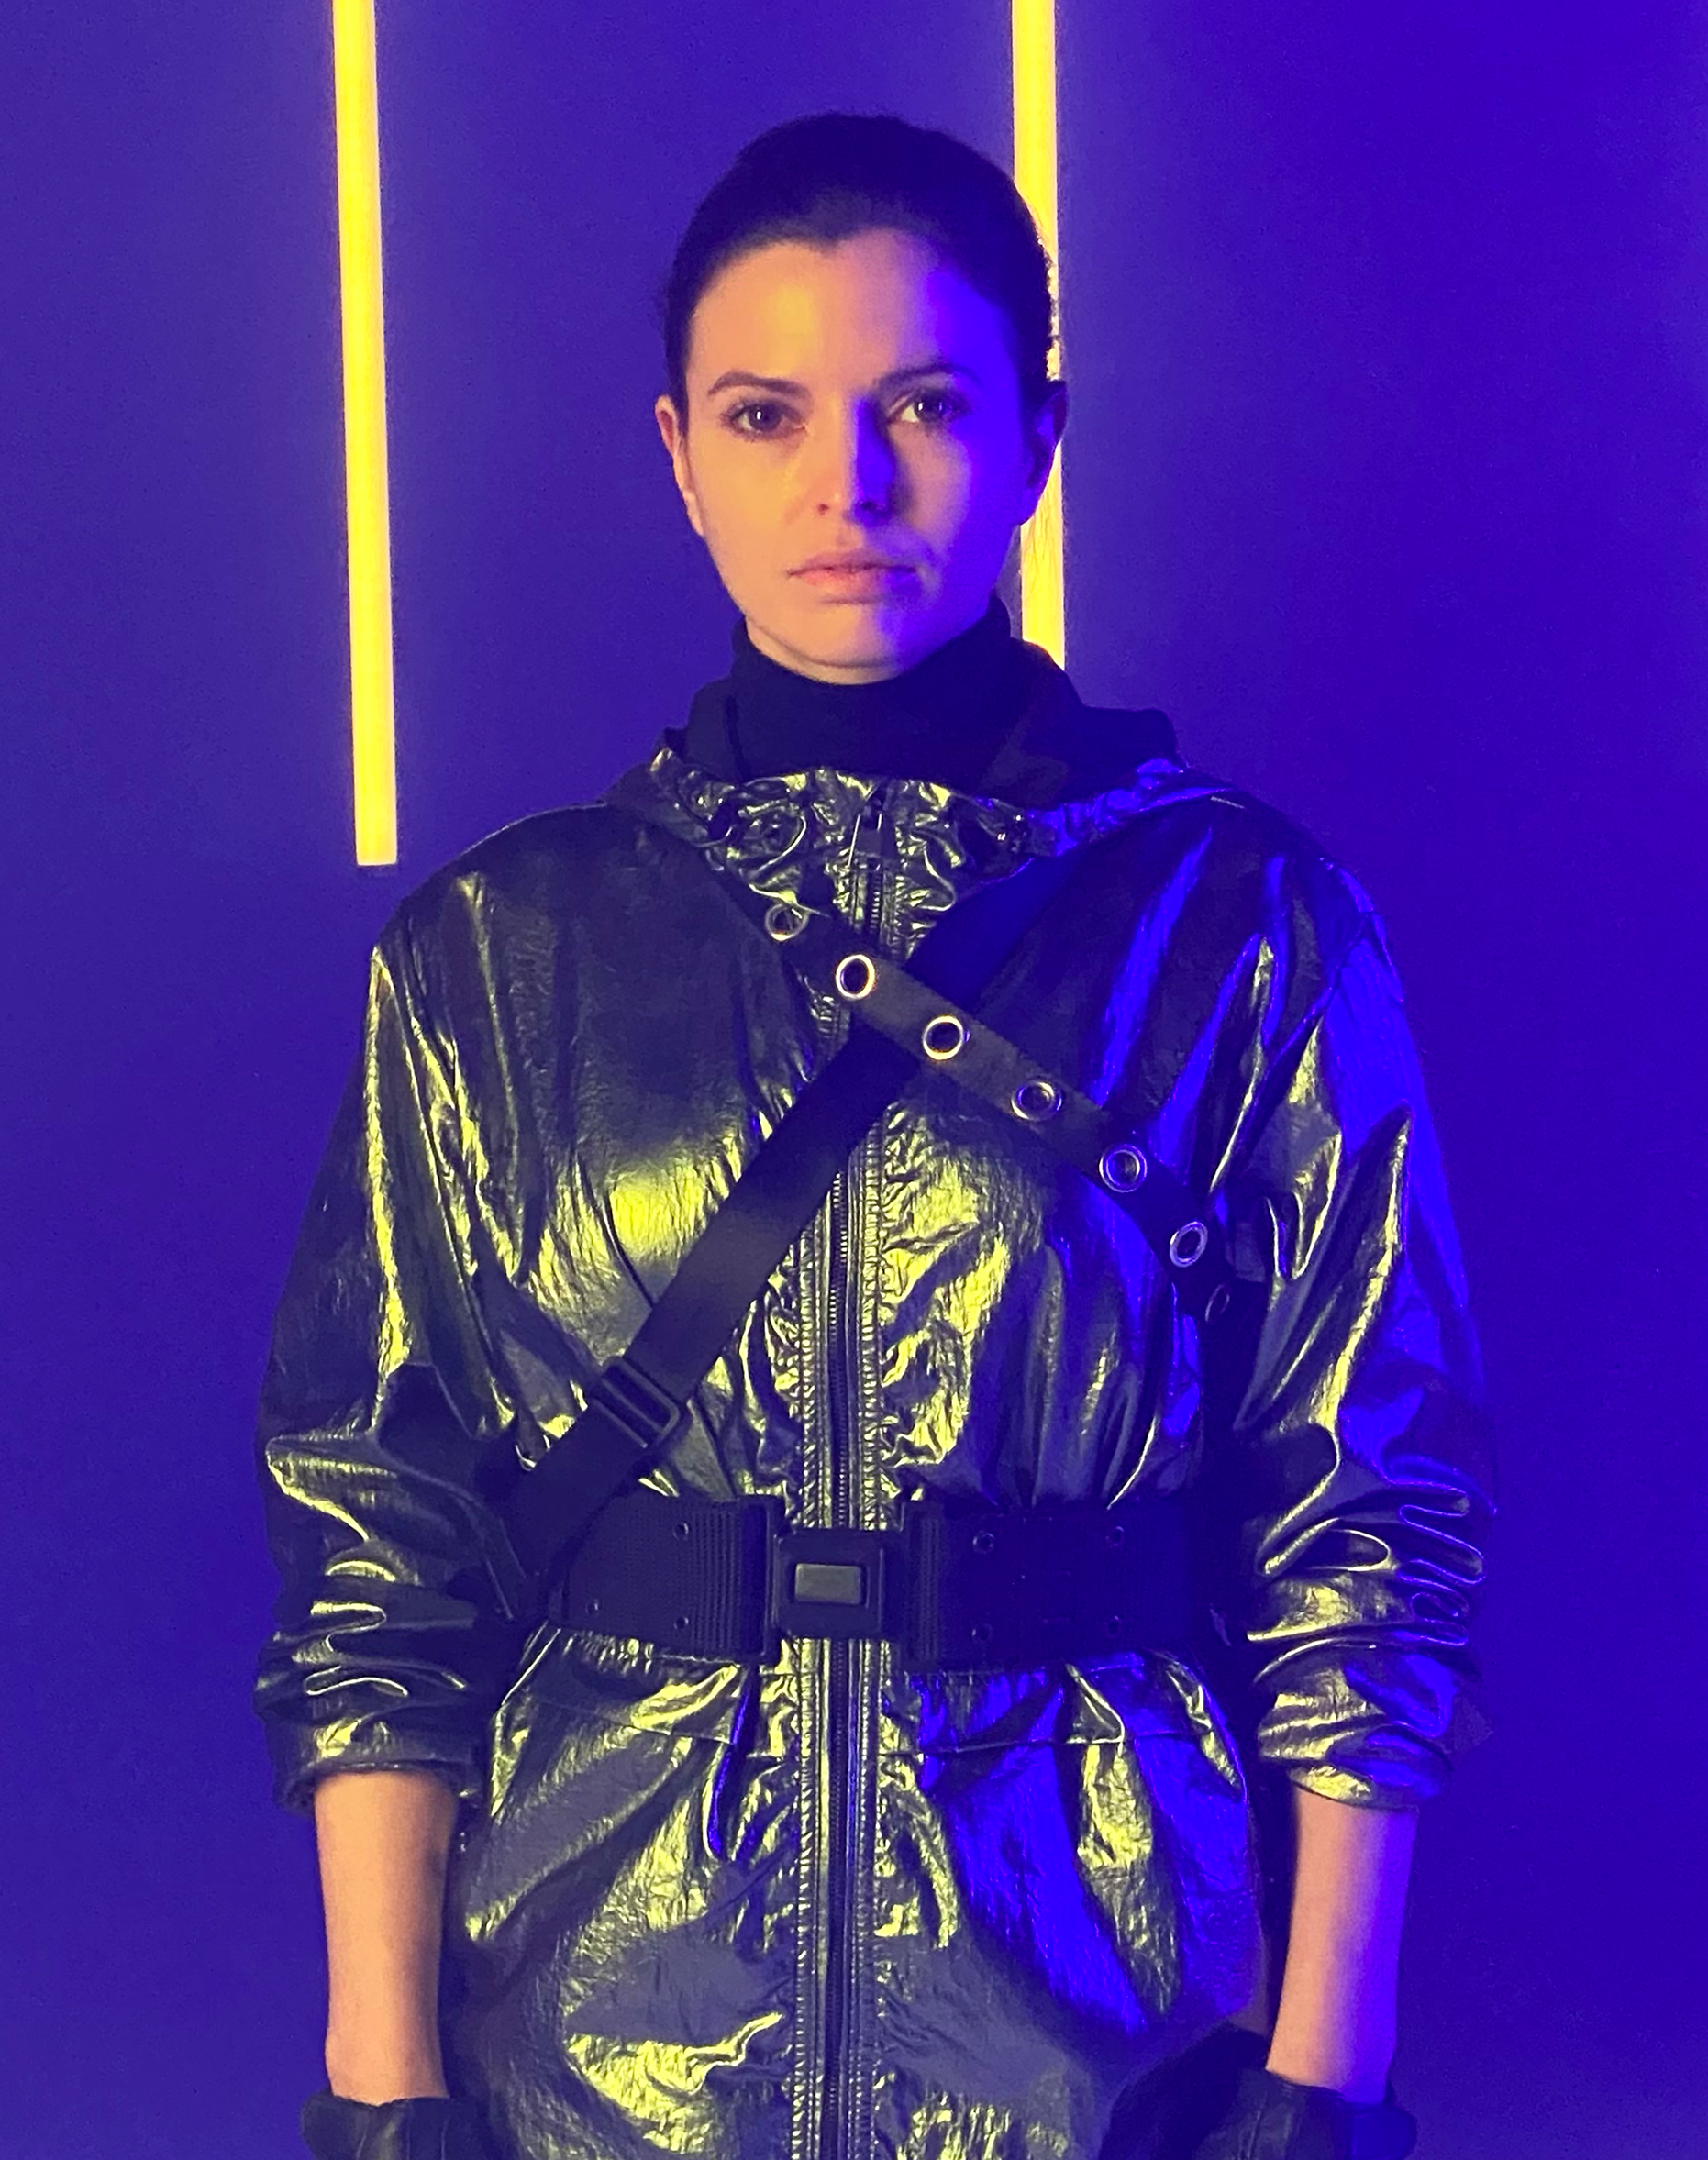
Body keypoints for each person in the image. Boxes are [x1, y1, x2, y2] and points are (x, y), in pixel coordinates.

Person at [254, 113, 1492, 2160]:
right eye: (768, 414)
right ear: (681, 454)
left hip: (1115, 2046)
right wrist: (386, 2092)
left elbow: (1374, 1509)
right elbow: (378, 1533)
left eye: (924, 403)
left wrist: (1319, 2085)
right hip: (592, 2053)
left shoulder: (1245, 926)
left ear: (1037, 436)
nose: (848, 483)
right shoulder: (498, 948)